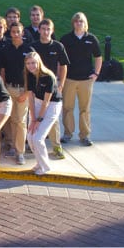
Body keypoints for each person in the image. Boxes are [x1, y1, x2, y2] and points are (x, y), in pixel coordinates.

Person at [60, 12, 102, 147]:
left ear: (85, 23)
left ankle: (85, 135)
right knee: (67, 108)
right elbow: (60, 60)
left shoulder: (92, 39)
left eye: (81, 21)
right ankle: (67, 133)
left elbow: (98, 57)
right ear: (73, 23)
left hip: (86, 80)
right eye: (76, 21)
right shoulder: (66, 39)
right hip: (69, 79)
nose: (79, 24)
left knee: (85, 108)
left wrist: (96, 73)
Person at [32, 18, 69, 159]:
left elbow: (64, 66)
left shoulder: (58, 47)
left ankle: (56, 146)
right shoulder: (33, 46)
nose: (46, 32)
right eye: (43, 29)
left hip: (52, 87)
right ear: (39, 30)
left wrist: (61, 84)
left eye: (48, 29)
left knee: (53, 119)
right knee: (35, 115)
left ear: (52, 31)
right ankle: (33, 143)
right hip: (37, 86)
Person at [0, 22, 35, 165]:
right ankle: (13, 146)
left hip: (23, 90)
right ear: (10, 32)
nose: (15, 34)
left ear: (22, 33)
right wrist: (4, 88)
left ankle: (20, 152)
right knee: (11, 120)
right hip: (9, 88)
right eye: (13, 31)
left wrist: (27, 92)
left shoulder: (29, 49)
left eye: (18, 31)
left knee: (20, 121)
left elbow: (33, 73)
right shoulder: (5, 49)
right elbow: (2, 70)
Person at [24, 51, 62, 175]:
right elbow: (30, 97)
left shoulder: (48, 76)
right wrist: (32, 118)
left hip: (52, 105)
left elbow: (47, 102)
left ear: (39, 62)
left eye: (33, 63)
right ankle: (39, 162)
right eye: (28, 63)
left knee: (38, 138)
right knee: (30, 136)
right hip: (37, 102)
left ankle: (45, 167)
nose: (31, 66)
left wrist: (38, 120)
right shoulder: (29, 75)